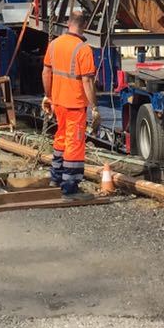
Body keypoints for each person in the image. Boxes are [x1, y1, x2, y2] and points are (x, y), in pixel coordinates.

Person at [41, 11, 96, 197]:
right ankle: (70, 187)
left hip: (58, 103)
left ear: (68, 23)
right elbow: (87, 81)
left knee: (61, 137)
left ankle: (56, 178)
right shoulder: (83, 49)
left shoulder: (54, 44)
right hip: (75, 104)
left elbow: (46, 72)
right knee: (74, 143)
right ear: (84, 25)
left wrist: (48, 96)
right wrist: (94, 107)